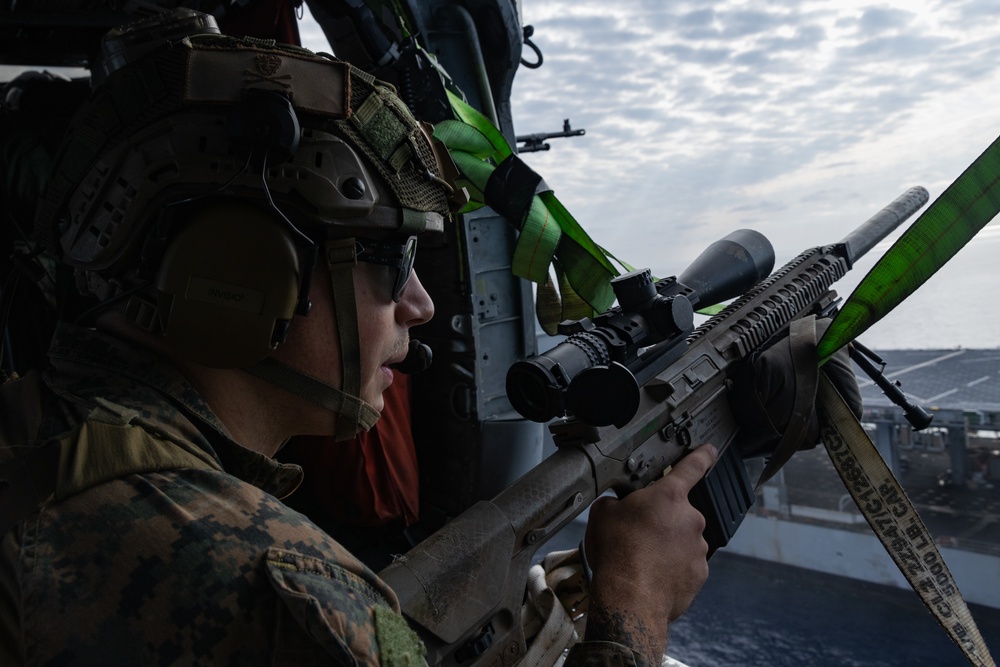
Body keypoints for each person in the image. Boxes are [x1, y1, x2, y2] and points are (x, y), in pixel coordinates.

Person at [0, 11, 857, 667]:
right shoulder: (273, 589)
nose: (419, 304)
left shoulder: (43, 429)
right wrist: (634, 608)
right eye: (387, 258)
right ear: (244, 272)